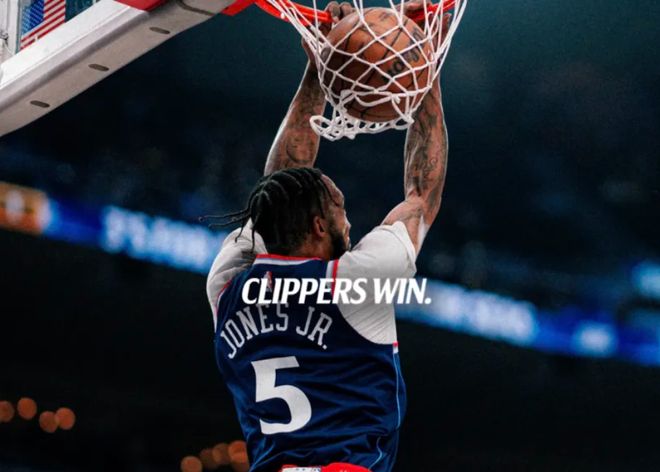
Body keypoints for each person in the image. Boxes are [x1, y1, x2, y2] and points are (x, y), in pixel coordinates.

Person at [206, 3, 451, 471]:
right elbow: (422, 194)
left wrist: (322, 67)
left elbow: (281, 189)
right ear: (320, 226)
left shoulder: (231, 289)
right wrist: (424, 70)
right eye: (341, 209)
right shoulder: (352, 284)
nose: (350, 223)